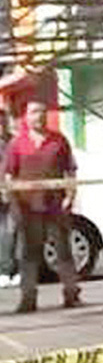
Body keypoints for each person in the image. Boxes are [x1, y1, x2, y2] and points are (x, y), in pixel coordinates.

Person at [5, 101, 80, 313]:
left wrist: (70, 195)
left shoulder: (59, 141)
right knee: (29, 254)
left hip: (55, 206)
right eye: (34, 112)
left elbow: (71, 171)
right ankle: (28, 299)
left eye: (43, 112)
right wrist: (14, 203)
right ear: (26, 117)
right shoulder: (17, 144)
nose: (39, 116)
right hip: (28, 207)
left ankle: (71, 293)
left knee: (63, 251)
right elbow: (9, 176)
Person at [0, 109, 17, 288]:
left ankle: (9, 270)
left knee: (10, 233)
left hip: (14, 194)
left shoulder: (14, 142)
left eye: (3, 121)